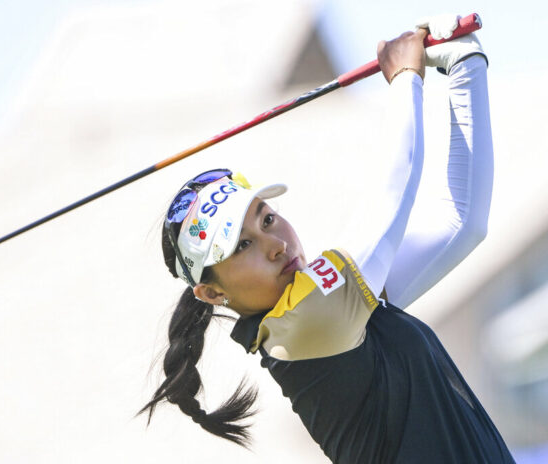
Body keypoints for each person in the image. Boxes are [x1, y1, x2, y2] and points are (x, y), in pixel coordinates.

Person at [140, 15, 515, 463]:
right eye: (241, 246)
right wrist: (404, 79)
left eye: (266, 219)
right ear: (211, 292)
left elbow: (461, 223)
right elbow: (392, 195)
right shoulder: (307, 319)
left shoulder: (327, 314)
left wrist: (464, 63)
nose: (275, 243)